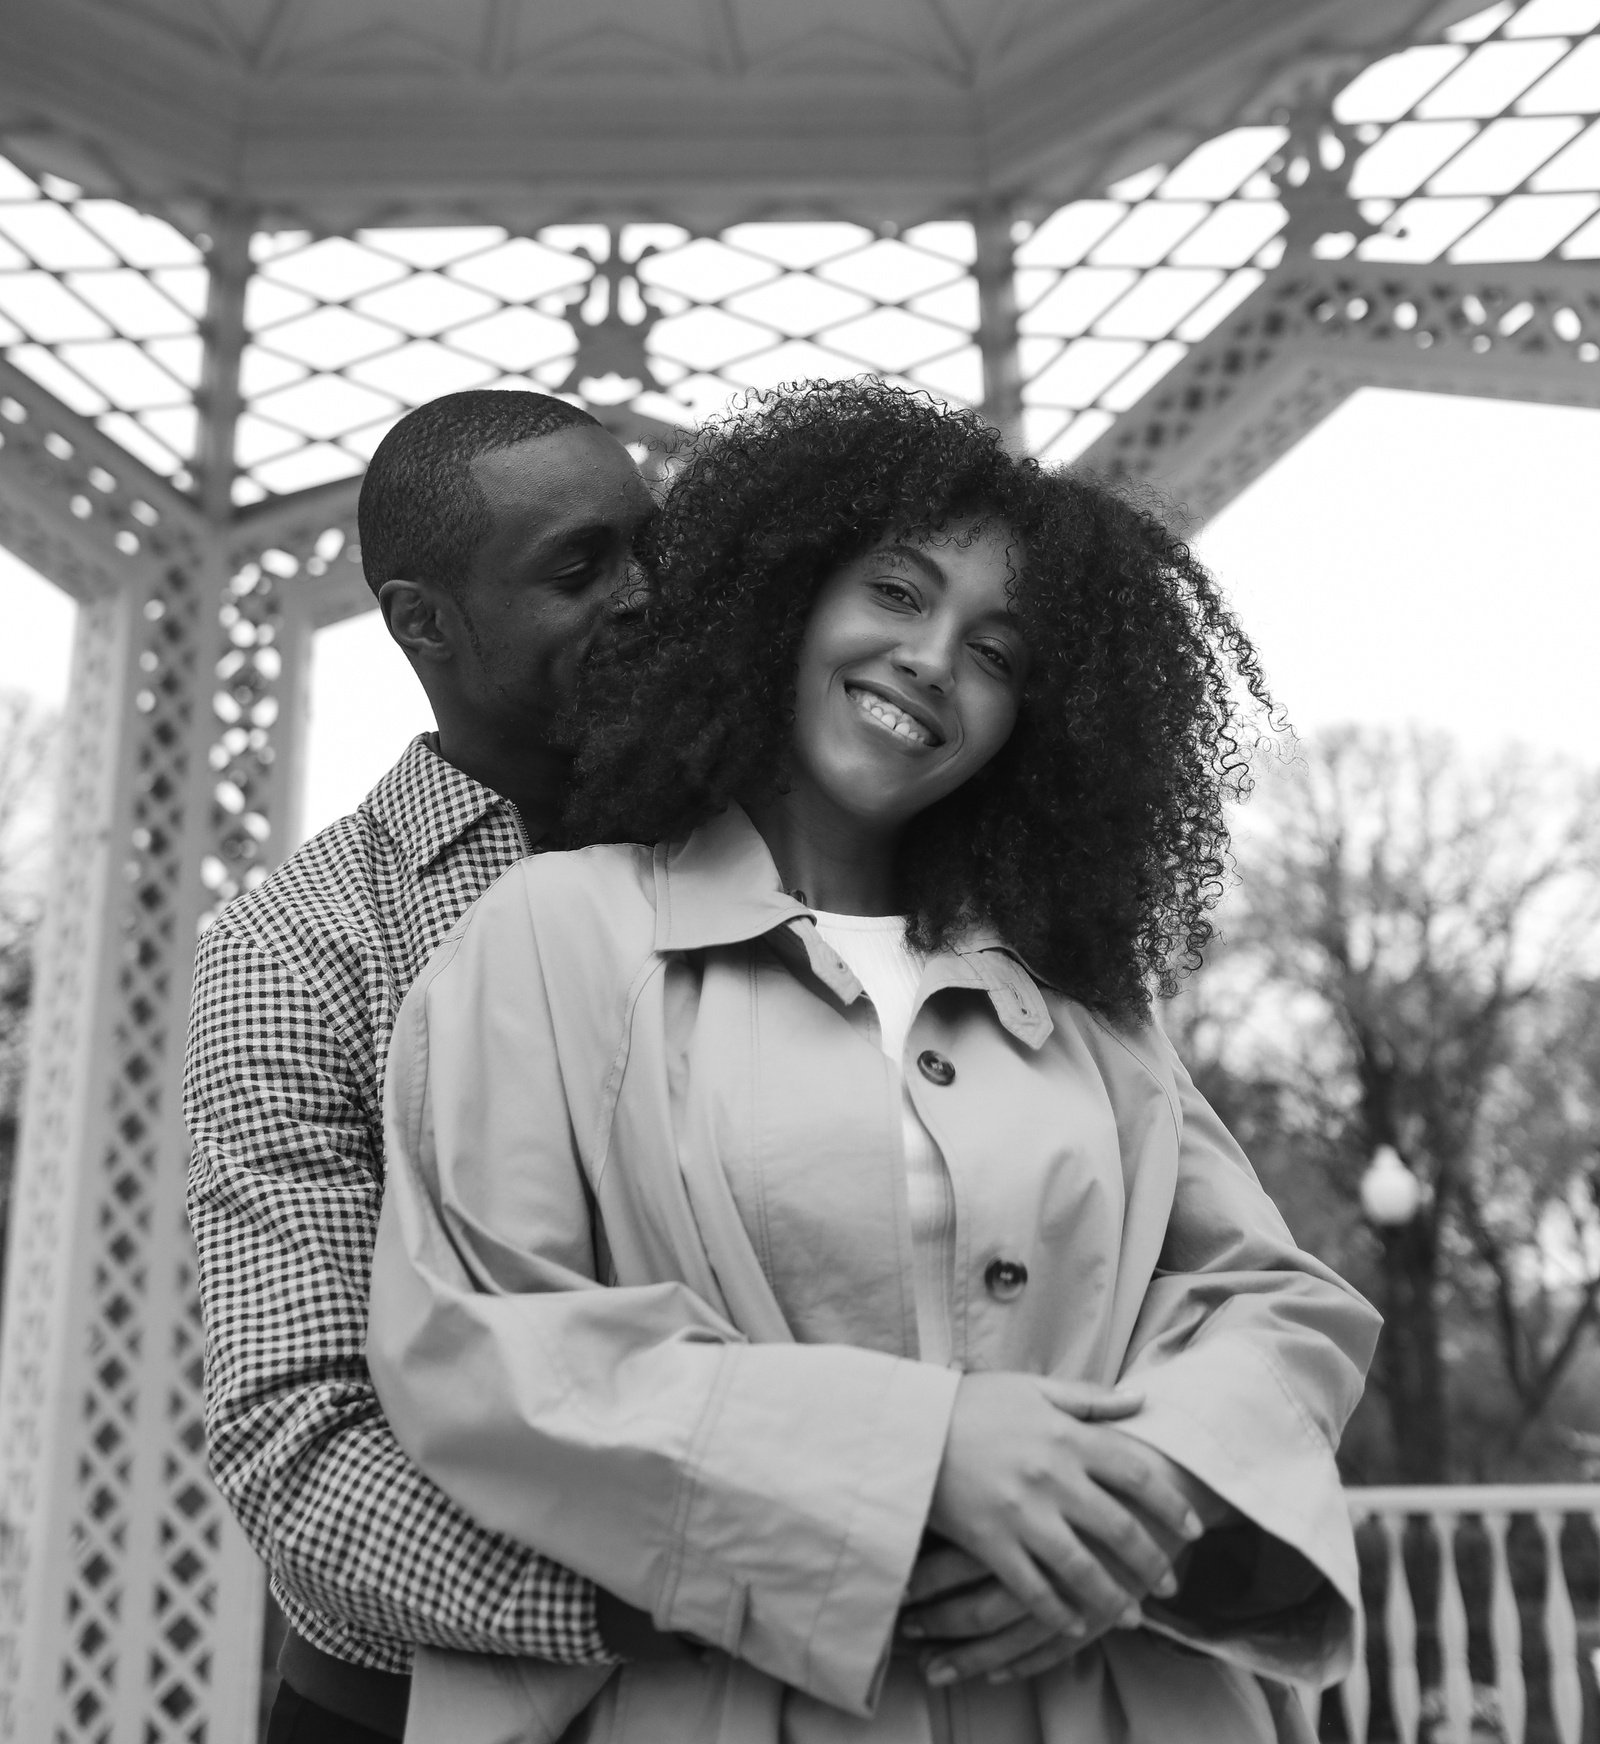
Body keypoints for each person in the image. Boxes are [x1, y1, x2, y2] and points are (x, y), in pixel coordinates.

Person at [368, 380, 1380, 1744]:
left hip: (1115, 1698)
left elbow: (1270, 1299)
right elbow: (484, 1343)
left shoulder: (1081, 995)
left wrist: (1147, 1490)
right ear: (786, 598)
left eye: (999, 653)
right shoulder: (556, 932)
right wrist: (927, 1462)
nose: (931, 659)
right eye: (898, 594)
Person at [184, 389, 659, 1744]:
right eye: (580, 568)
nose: (643, 594)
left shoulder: (785, 839)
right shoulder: (296, 945)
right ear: (422, 623)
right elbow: (298, 1436)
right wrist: (703, 1588)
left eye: (652, 548)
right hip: (411, 1703)